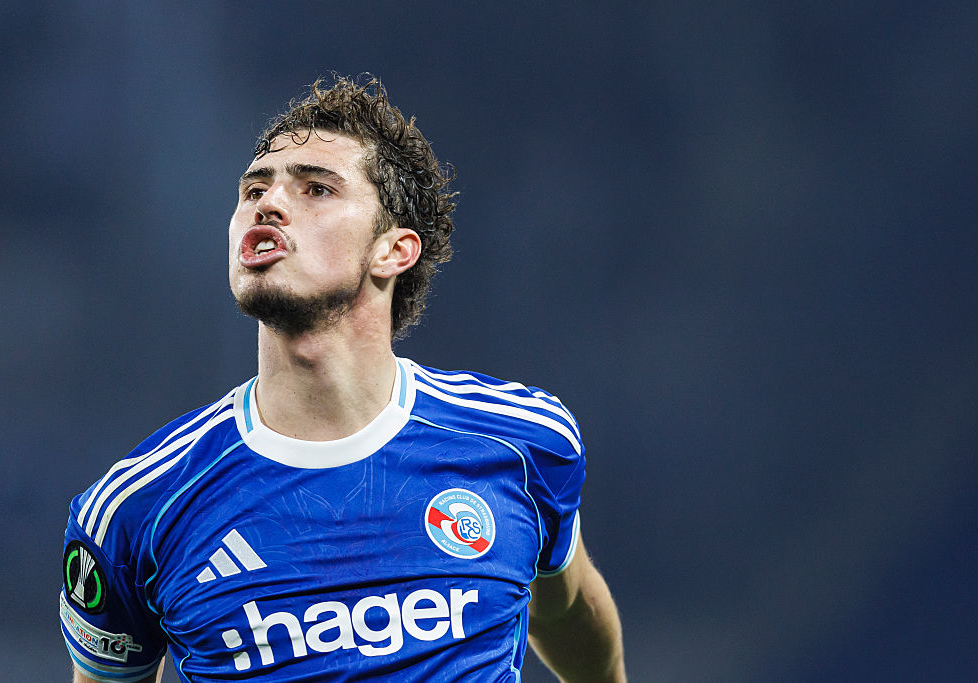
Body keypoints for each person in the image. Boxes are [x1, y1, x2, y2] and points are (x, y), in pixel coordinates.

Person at [59, 75, 625, 683]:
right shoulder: (134, 512)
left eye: (316, 188)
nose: (268, 203)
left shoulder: (520, 441)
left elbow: (566, 609)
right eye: (254, 189)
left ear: (393, 250)